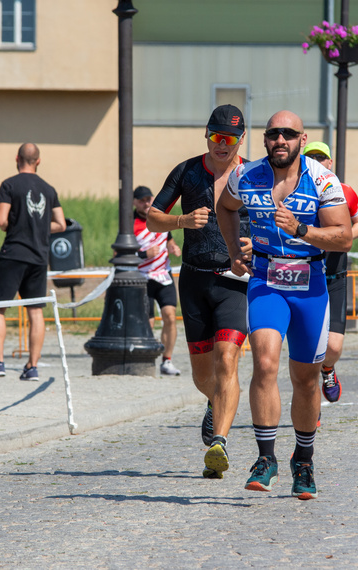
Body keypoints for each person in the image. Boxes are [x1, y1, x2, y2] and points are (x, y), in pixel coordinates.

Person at [216, 111, 352, 500]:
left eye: (288, 134)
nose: (280, 140)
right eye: (273, 133)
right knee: (264, 361)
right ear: (264, 139)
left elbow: (343, 237)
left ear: (301, 139)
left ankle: (304, 461)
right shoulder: (247, 176)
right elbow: (225, 207)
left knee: (306, 379)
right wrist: (232, 250)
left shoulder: (323, 180)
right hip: (266, 280)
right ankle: (266, 458)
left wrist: (301, 229)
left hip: (310, 285)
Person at [146, 104, 252, 480]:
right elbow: (151, 216)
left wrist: (255, 245)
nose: (221, 145)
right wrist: (182, 221)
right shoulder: (187, 171)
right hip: (193, 280)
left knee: (228, 361)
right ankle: (214, 402)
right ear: (206, 135)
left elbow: (274, 220)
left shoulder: (253, 175)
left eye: (229, 139)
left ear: (241, 140)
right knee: (203, 375)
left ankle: (219, 443)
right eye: (215, 137)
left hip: (235, 283)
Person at [0, 143, 66, 380]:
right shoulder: (49, 189)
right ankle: (32, 367)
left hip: (14, 253)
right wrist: (37, 227)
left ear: (17, 158)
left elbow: (1, 220)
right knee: (35, 310)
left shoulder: (9, 184)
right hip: (39, 256)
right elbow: (61, 224)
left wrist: (18, 226)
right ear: (38, 161)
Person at [303, 142, 358, 407]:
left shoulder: (344, 191)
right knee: (309, 350)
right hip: (305, 276)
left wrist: (342, 237)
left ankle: (328, 371)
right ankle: (310, 410)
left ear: (330, 163)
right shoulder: (299, 192)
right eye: (311, 157)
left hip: (335, 276)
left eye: (322, 158)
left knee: (334, 347)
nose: (317, 161)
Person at [132, 185, 182, 376]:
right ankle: (146, 358)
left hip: (163, 275)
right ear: (135, 202)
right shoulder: (130, 223)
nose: (146, 203)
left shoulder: (159, 216)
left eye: (148, 199)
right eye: (142, 200)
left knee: (170, 317)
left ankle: (167, 361)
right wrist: (144, 253)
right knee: (148, 322)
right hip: (142, 279)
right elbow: (119, 252)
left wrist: (173, 246)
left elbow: (168, 238)